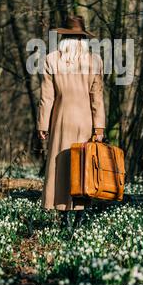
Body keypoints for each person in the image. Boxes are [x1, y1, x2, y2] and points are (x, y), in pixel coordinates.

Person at [36, 15, 106, 230]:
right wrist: (99, 127)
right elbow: (97, 98)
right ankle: (79, 218)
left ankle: (63, 218)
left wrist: (43, 125)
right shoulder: (94, 61)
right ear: (83, 39)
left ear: (63, 38)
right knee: (83, 168)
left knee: (61, 167)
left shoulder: (51, 59)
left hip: (60, 120)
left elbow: (46, 98)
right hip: (85, 121)